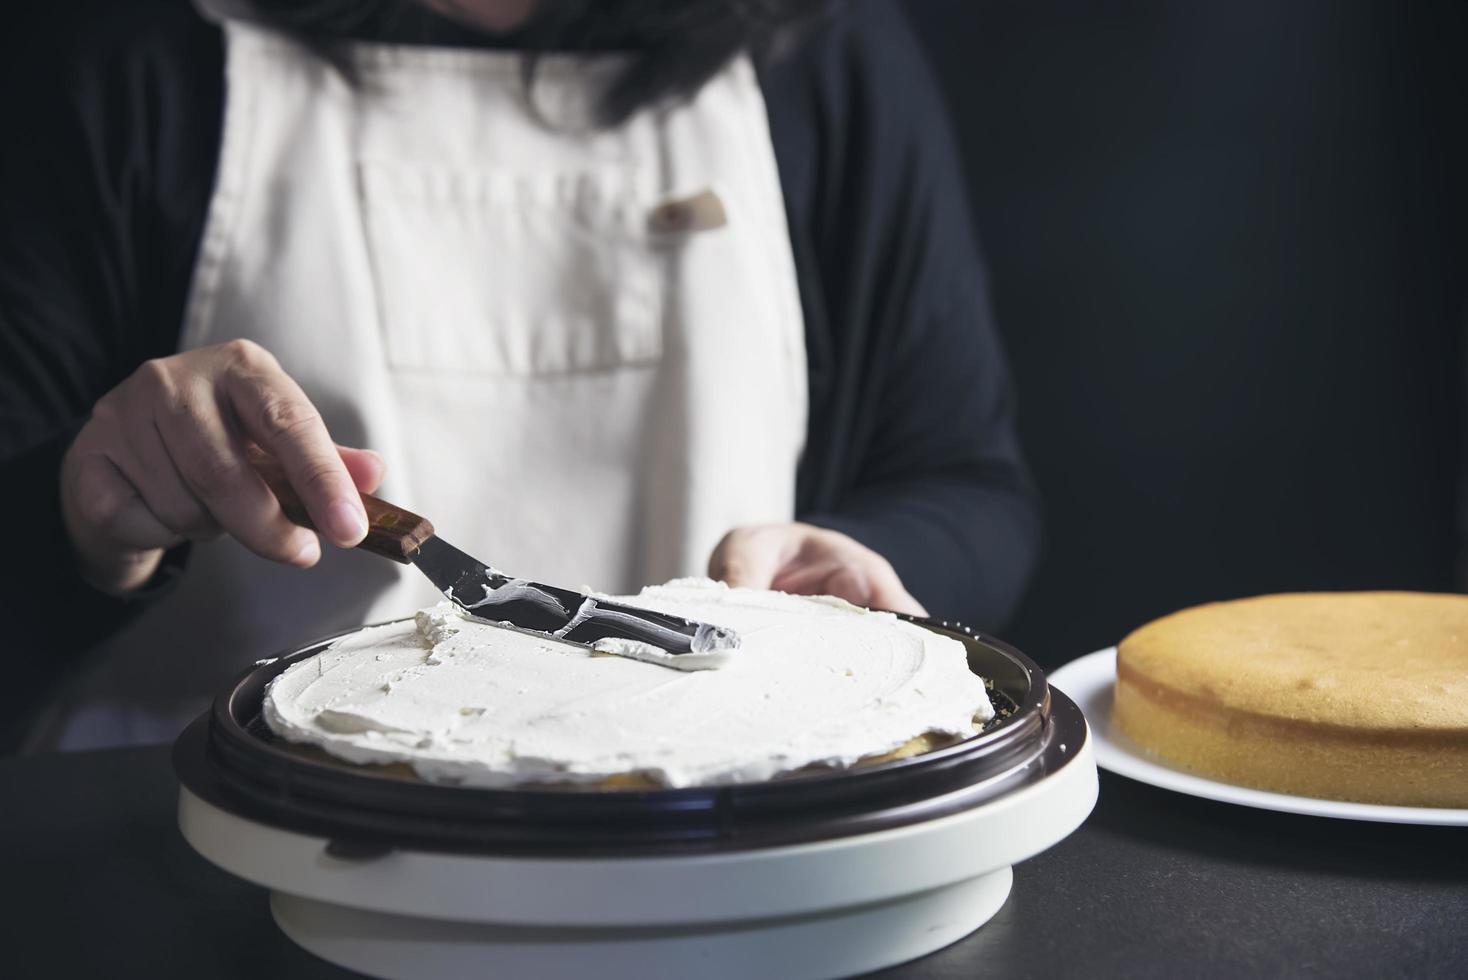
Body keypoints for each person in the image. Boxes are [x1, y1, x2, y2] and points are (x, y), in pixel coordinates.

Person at [0, 0, 1040, 751]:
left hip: (732, 849)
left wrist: (849, 574)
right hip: (209, 855)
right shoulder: (118, 50)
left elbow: (963, 482)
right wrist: (84, 515)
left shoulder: (823, 48)